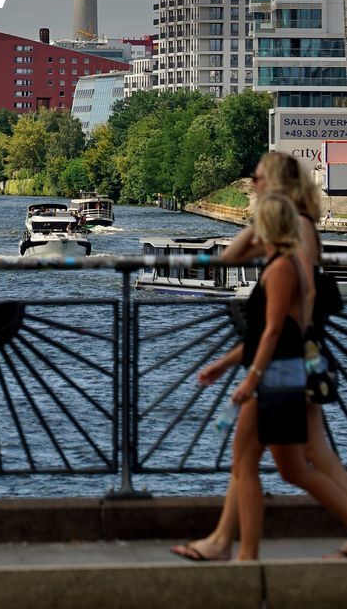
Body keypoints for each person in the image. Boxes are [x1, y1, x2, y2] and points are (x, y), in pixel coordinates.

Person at [172, 151, 347, 561]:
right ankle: (226, 544)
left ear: (280, 186)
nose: (253, 182)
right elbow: (229, 258)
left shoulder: (298, 235)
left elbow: (289, 312)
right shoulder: (285, 234)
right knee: (287, 459)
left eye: (261, 178)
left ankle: (234, 549)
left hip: (291, 360)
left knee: (290, 461)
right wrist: (261, 221)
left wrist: (254, 371)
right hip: (286, 359)